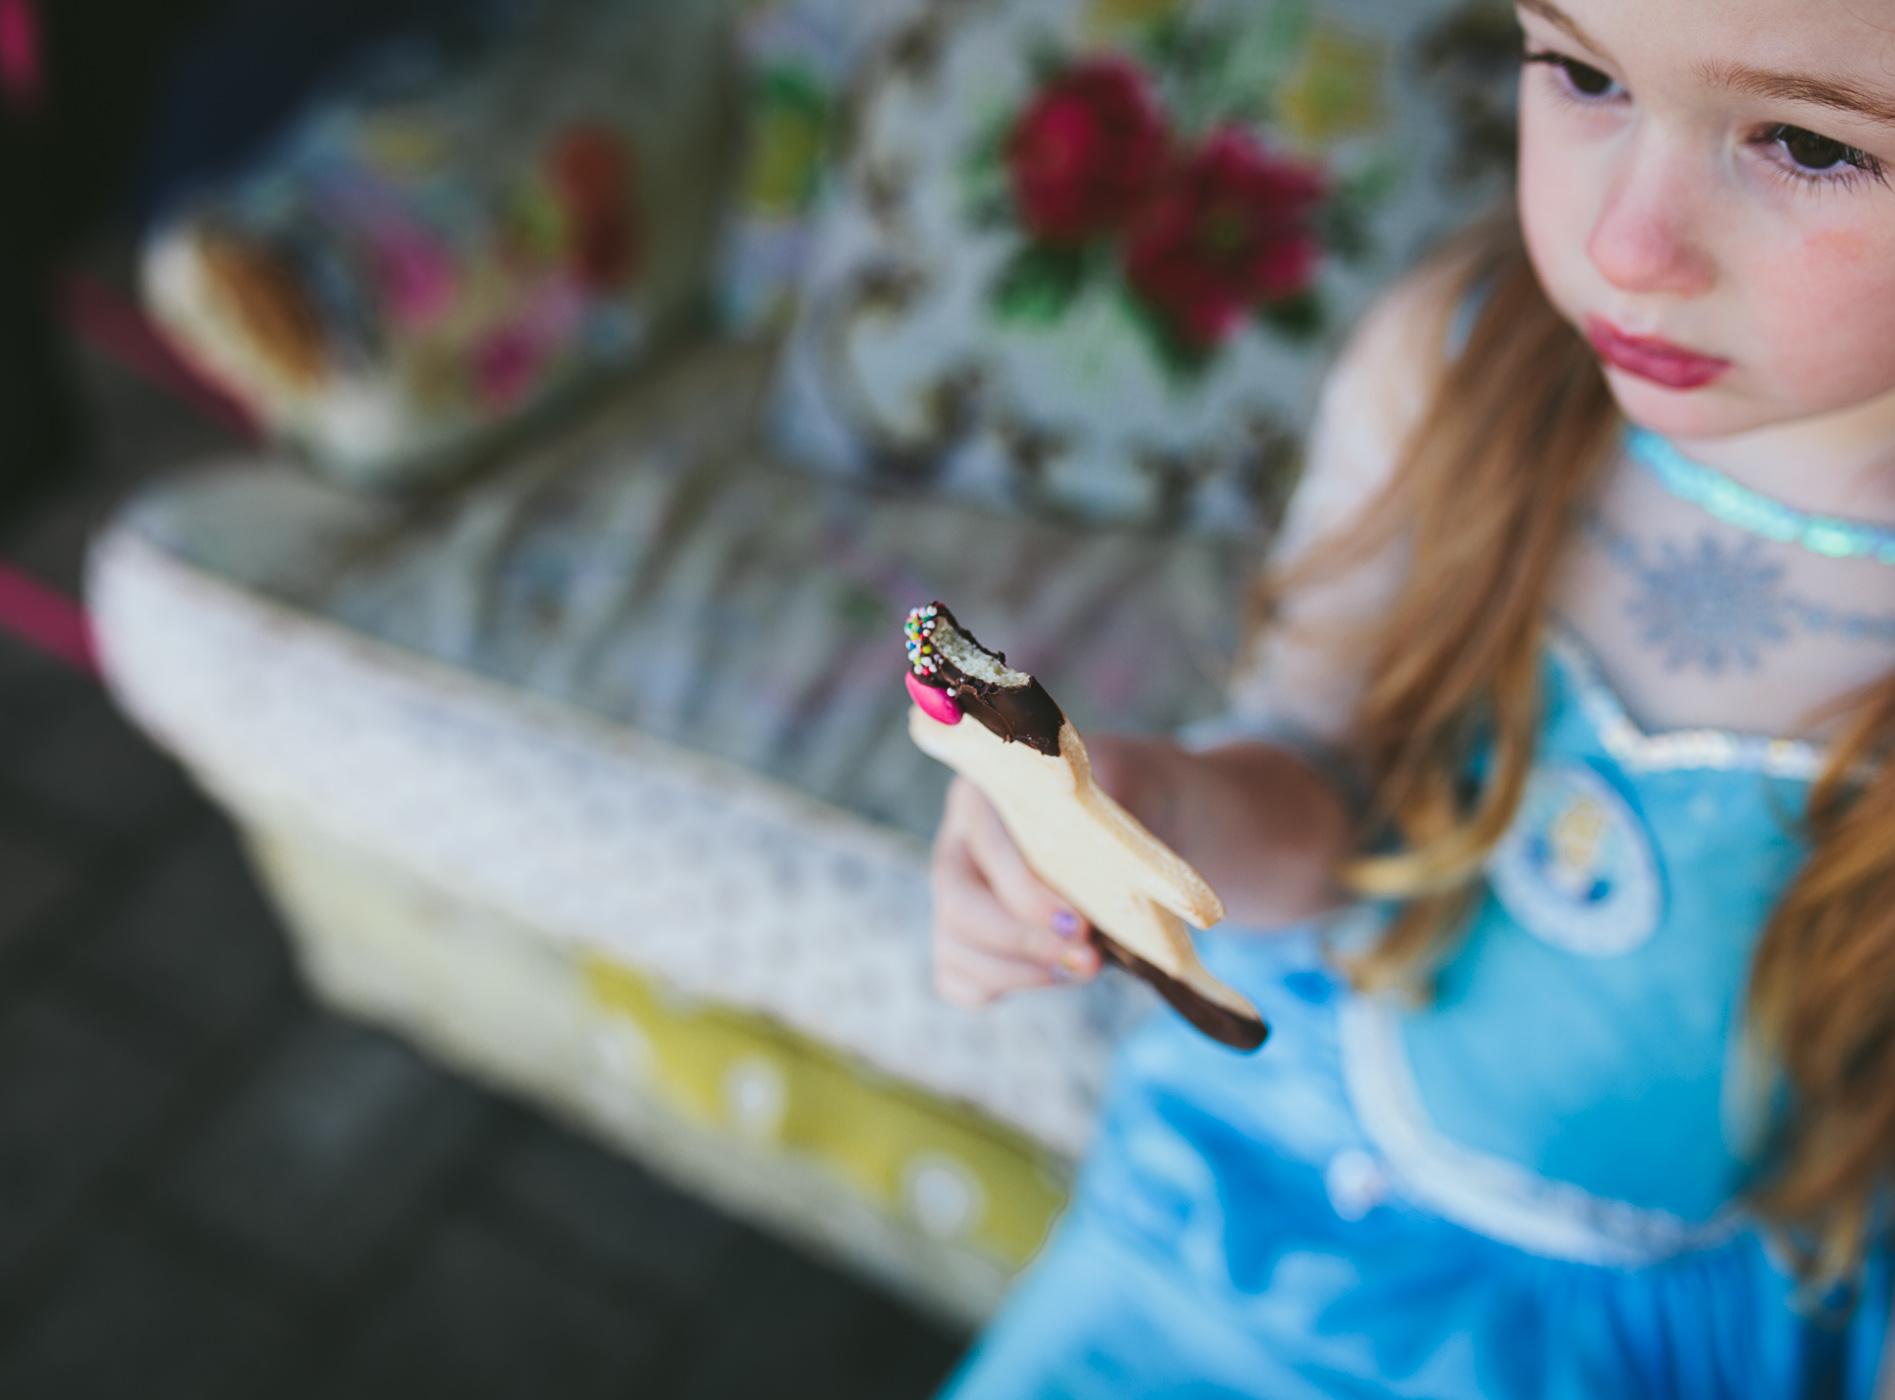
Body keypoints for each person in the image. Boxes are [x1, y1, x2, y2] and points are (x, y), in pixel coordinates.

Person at [928, 0, 1895, 1394]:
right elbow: (1327, 791)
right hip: (1246, 1228)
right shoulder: (1457, 362)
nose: (1625, 244)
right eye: (1580, 71)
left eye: (1805, 141)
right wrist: (1156, 810)